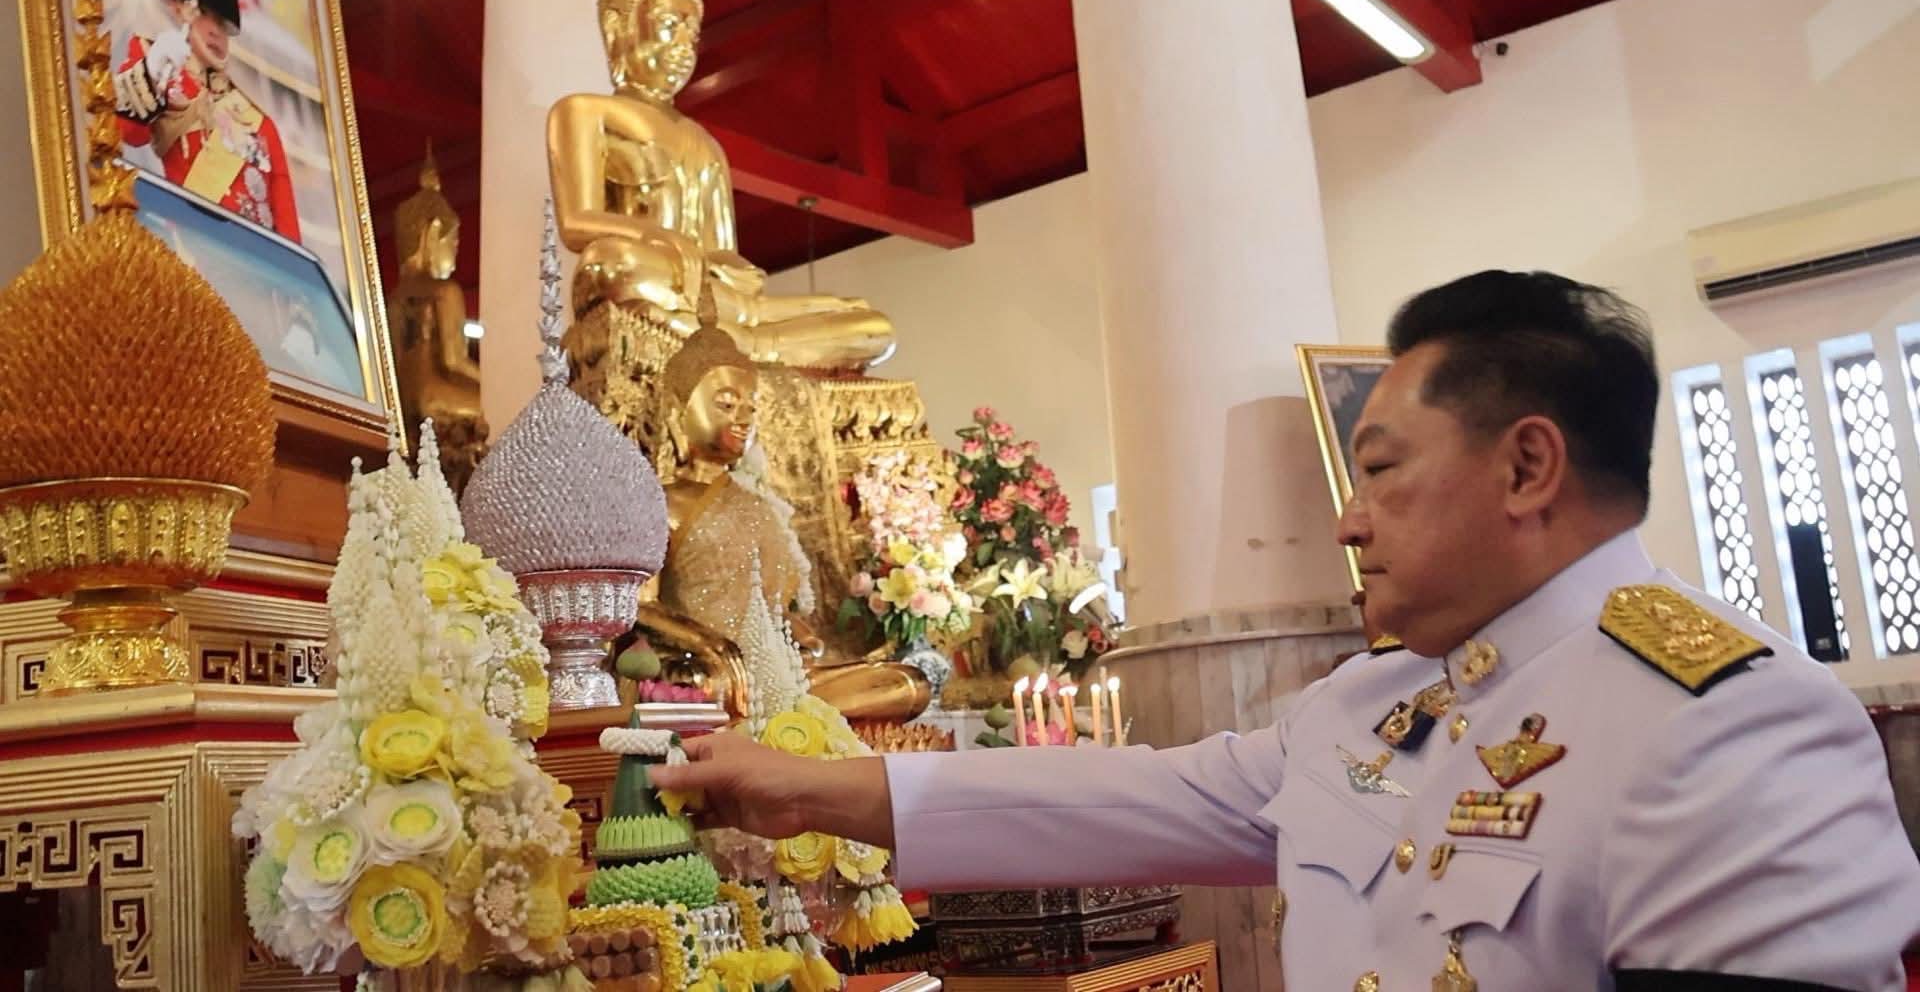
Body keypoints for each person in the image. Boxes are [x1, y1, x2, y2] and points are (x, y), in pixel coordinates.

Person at [653, 270, 1920, 990]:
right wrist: (808, 789)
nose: (1350, 523)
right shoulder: (1376, 706)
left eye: (1380, 472)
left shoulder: (1735, 726)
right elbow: (1123, 800)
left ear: (1528, 468)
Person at [113, 0, 300, 242]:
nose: (217, 31)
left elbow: (286, 225)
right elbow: (127, 133)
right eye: (206, 14)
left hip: (259, 274)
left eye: (223, 21)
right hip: (198, 254)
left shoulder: (258, 122)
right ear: (180, 9)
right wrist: (154, 72)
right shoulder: (157, 63)